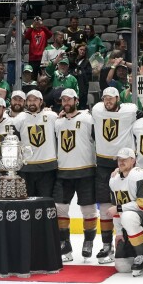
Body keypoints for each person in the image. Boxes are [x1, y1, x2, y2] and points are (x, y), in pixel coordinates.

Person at [92, 87, 139, 262]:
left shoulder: (130, 110)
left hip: (126, 163)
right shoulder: (97, 109)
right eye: (105, 98)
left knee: (126, 205)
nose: (108, 101)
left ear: (118, 98)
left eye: (111, 98)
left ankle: (129, 243)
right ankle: (106, 245)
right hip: (103, 164)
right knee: (105, 207)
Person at [53, 89, 97, 262]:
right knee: (60, 208)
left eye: (69, 100)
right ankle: (65, 244)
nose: (66, 102)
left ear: (76, 100)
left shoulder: (87, 118)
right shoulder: (57, 122)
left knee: (88, 209)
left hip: (85, 170)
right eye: (63, 100)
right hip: (63, 171)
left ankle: (88, 242)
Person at [106, 147, 143, 276]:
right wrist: (119, 232)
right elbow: (115, 210)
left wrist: (119, 208)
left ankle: (142, 256)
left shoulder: (140, 174)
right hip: (130, 225)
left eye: (124, 159)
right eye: (119, 159)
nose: (121, 162)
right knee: (122, 266)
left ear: (133, 160)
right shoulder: (114, 179)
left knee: (127, 216)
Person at [12, 90, 58, 197]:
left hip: (48, 166)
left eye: (35, 100)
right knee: (28, 202)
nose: (32, 103)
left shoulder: (51, 116)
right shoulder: (20, 118)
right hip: (27, 167)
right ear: (26, 102)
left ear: (41, 102)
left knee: (46, 200)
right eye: (29, 100)